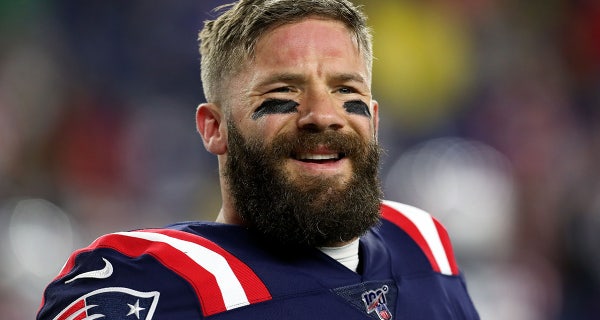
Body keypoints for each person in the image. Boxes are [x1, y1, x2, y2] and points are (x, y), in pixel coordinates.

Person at [37, 0, 479, 319]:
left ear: (375, 118)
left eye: (347, 91)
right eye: (283, 94)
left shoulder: (422, 243)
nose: (324, 115)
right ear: (214, 128)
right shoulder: (156, 283)